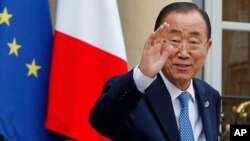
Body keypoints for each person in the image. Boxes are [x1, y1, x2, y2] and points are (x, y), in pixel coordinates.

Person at [89, 2, 221, 141]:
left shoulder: (210, 96)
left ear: (207, 47)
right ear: (157, 42)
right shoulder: (134, 92)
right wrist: (143, 76)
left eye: (193, 42)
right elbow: (101, 123)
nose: (183, 53)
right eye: (175, 40)